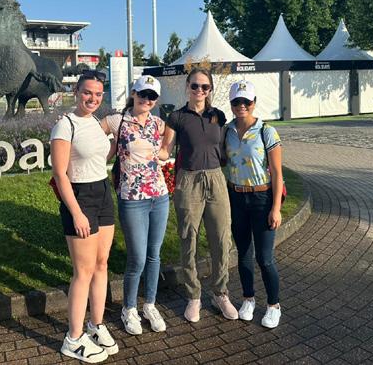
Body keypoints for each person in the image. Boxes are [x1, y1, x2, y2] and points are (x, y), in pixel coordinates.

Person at [50, 70, 118, 363]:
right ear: (76, 92)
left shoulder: (94, 122)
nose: (93, 98)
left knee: (102, 264)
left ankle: (96, 325)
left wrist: (117, 141)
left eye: (98, 94)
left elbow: (99, 157)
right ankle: (73, 339)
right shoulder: (65, 125)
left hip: (102, 192)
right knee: (84, 271)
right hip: (80, 197)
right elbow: (60, 174)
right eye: (87, 92)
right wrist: (76, 213)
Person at [161, 67, 238, 322]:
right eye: (195, 85)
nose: (199, 90)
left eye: (205, 87)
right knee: (188, 238)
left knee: (221, 239)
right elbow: (166, 149)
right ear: (187, 87)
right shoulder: (177, 117)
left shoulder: (218, 116)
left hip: (216, 179)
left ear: (210, 89)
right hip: (189, 179)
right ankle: (193, 295)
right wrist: (142, 149)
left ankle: (220, 293)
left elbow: (227, 147)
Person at [100, 75, 169, 335]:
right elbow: (90, 134)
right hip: (132, 198)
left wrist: (165, 151)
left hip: (159, 195)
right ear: (133, 93)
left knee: (154, 255)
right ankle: (129, 308)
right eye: (142, 94)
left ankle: (149, 304)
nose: (146, 100)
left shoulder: (158, 123)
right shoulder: (117, 121)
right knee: (137, 257)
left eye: (152, 96)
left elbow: (168, 142)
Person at [224, 80, 283, 328]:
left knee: (265, 258)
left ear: (254, 102)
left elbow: (277, 173)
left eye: (246, 101)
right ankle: (248, 299)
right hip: (236, 197)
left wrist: (276, 208)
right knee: (244, 254)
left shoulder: (266, 131)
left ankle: (273, 305)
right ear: (231, 104)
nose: (242, 105)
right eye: (237, 101)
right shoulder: (226, 131)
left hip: (261, 198)